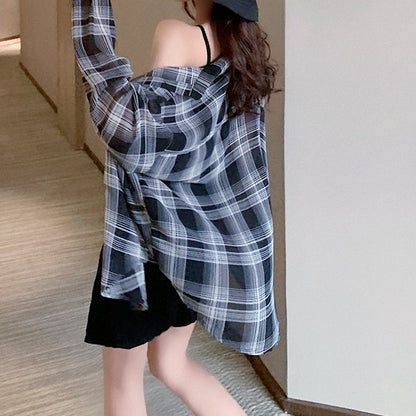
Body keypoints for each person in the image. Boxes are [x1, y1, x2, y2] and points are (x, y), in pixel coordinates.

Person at [72, 0, 281, 415]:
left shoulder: (175, 33)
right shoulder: (244, 54)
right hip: (203, 250)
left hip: (147, 246)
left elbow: (145, 136)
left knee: (123, 379)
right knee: (170, 364)